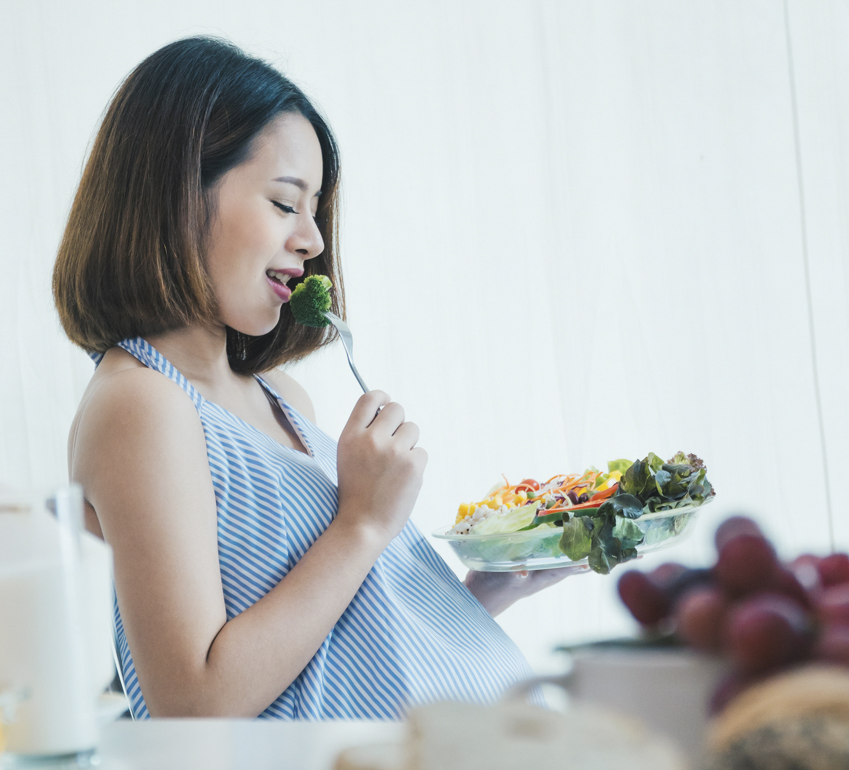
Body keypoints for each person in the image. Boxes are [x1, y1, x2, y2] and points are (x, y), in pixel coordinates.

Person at [53, 36, 577, 720]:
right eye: (283, 202)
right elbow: (193, 703)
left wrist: (478, 596)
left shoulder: (281, 400)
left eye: (315, 208)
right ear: (178, 194)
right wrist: (361, 524)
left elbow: (334, 652)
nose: (314, 240)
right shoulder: (140, 404)